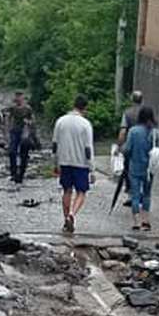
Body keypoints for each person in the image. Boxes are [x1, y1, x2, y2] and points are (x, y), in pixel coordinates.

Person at [52, 95, 95, 234]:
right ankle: (72, 214)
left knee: (67, 191)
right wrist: (92, 168)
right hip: (81, 162)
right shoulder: (85, 124)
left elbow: (54, 144)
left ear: (73, 105)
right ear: (85, 108)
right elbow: (88, 148)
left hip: (64, 161)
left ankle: (66, 220)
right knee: (81, 192)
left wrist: (55, 162)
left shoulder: (60, 121)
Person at [123, 106, 158, 231]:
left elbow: (127, 149)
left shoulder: (133, 131)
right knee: (147, 195)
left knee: (135, 195)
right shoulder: (155, 132)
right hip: (150, 169)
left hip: (135, 168)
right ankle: (146, 221)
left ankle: (136, 222)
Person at [116, 91, 143, 204]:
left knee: (129, 170)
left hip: (131, 146)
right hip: (144, 146)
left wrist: (119, 145)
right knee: (143, 169)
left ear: (132, 99)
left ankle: (132, 195)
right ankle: (142, 193)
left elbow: (123, 131)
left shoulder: (127, 113)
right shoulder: (147, 112)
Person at [6, 91, 34, 184]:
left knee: (24, 154)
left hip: (24, 132)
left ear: (23, 98)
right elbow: (8, 118)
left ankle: (21, 174)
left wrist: (28, 122)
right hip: (14, 131)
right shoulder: (12, 108)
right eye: (16, 96)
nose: (18, 99)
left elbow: (32, 121)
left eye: (20, 97)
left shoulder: (28, 109)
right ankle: (13, 173)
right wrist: (8, 128)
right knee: (12, 152)